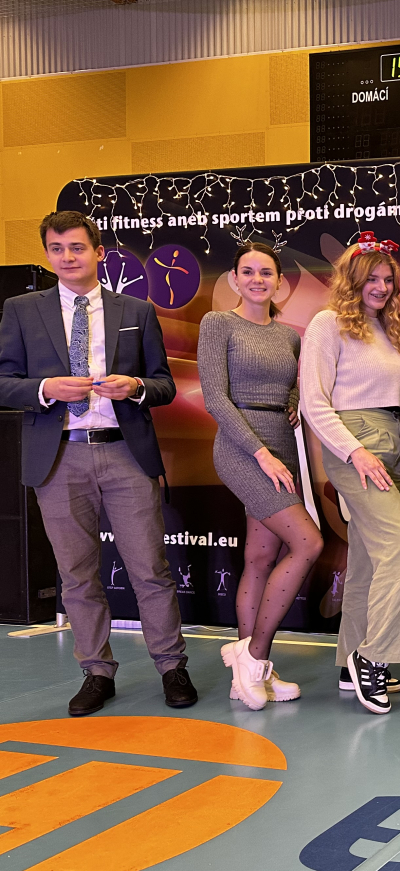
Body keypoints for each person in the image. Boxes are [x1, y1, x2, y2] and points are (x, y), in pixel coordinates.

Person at [0, 210, 196, 716]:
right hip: (58, 456)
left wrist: (136, 387)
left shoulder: (137, 309)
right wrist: (46, 388)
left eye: (77, 247)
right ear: (48, 254)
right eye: (57, 249)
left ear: (98, 252)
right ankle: (96, 672)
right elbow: (3, 383)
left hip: (124, 451)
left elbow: (164, 385)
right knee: (77, 573)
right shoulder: (21, 310)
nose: (67, 257)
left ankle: (171, 666)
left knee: (150, 568)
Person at [198, 242, 323, 710]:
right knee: (308, 543)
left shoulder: (290, 337)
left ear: (279, 282)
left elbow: (290, 387)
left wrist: (290, 403)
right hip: (241, 449)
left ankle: (250, 675)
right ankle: (251, 657)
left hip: (282, 445)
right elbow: (215, 397)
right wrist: (261, 454)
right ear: (234, 278)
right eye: (247, 272)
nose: (257, 279)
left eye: (266, 272)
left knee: (260, 556)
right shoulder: (218, 323)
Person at [301, 232, 400, 715]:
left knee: (371, 559)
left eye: (388, 279)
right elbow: (314, 403)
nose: (381, 287)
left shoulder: (392, 330)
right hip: (355, 441)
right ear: (351, 279)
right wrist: (355, 452)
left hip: (392, 441)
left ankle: (350, 658)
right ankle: (373, 656)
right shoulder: (327, 323)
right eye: (371, 278)